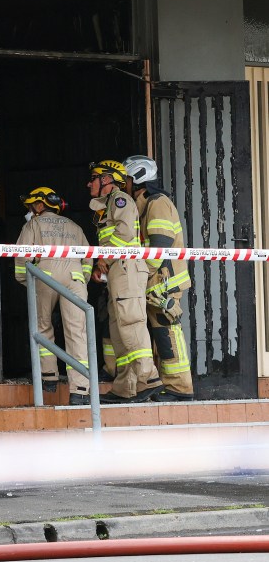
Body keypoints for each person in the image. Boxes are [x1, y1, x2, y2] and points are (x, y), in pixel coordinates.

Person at [88, 160, 163, 403]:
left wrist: (104, 259)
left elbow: (125, 236)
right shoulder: (109, 204)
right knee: (119, 328)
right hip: (118, 271)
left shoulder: (121, 200)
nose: (89, 183)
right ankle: (127, 387)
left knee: (131, 322)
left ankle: (147, 377)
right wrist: (103, 263)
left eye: (94, 178)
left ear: (107, 180)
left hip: (125, 268)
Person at [14, 187, 94, 405]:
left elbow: (22, 258)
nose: (30, 210)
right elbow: (88, 258)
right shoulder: (75, 227)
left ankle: (49, 377)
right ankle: (80, 390)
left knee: (43, 326)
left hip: (45, 275)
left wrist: (27, 282)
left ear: (40, 205)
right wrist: (81, 279)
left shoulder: (34, 224)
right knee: (77, 331)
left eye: (32, 206)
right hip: (75, 277)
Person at [124, 155, 194, 401]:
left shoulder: (158, 202)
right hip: (155, 283)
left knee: (167, 334)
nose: (126, 185)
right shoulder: (144, 205)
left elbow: (160, 245)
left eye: (128, 180)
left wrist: (142, 273)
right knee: (159, 338)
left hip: (164, 283)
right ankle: (169, 385)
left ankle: (180, 389)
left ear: (139, 178)